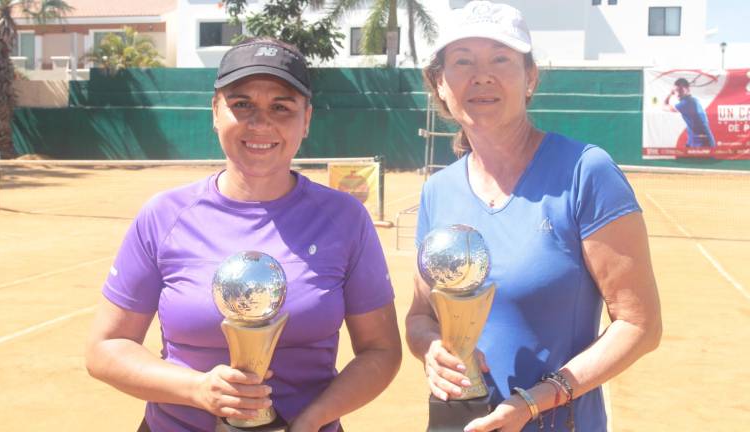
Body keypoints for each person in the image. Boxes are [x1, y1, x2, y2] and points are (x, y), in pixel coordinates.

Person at [85, 37, 402, 432]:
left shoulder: (345, 218)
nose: (260, 122)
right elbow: (105, 348)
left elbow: (381, 350)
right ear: (215, 112)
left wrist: (311, 420)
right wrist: (197, 389)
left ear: (306, 120)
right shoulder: (163, 216)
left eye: (281, 107)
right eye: (241, 104)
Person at [404, 2, 662, 432]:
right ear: (440, 83)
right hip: (457, 420)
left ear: (531, 78)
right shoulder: (438, 190)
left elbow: (640, 325)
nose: (481, 75)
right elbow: (419, 316)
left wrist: (533, 402)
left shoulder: (586, 172)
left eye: (500, 59)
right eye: (463, 61)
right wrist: (430, 348)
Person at [664, 78, 716, 147]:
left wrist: (670, 94)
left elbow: (664, 107)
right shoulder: (694, 100)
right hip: (694, 141)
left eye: (681, 90)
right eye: (676, 91)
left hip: (703, 144)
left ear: (688, 89)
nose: (678, 93)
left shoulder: (686, 103)